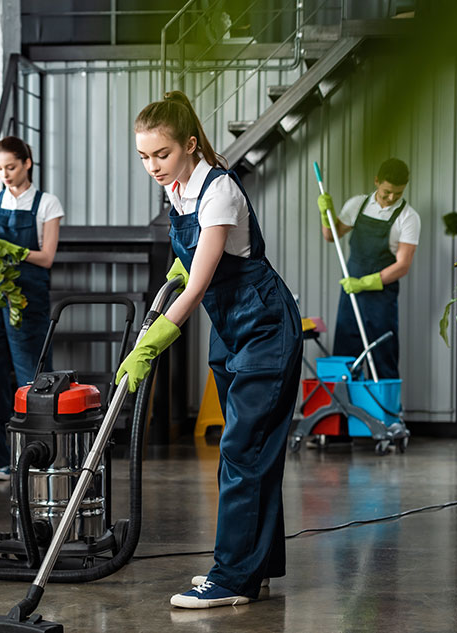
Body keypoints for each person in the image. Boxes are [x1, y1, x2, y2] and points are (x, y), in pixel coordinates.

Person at [118, 91, 303, 609]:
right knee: (254, 451)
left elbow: (197, 286)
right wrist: (181, 267)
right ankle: (257, 566)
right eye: (144, 157)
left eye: (162, 155)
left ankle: (231, 579)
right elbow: (197, 259)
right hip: (229, 332)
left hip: (264, 326)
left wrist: (151, 342)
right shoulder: (178, 190)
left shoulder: (217, 191)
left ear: (190, 145)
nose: (153, 167)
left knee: (242, 450)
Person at [0, 136, 63, 482]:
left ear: (27, 163)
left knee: (33, 377)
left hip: (28, 298)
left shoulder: (47, 204)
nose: (5, 174)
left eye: (10, 167)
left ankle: (38, 457)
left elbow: (46, 257)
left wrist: (9, 248)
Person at [317, 158, 420, 379]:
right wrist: (326, 213)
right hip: (351, 294)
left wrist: (365, 282)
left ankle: (385, 412)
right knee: (345, 356)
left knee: (384, 355)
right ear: (377, 182)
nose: (391, 198)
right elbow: (331, 235)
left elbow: (402, 266)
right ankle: (344, 413)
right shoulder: (358, 205)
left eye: (398, 193)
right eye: (386, 192)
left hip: (381, 298)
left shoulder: (408, 218)